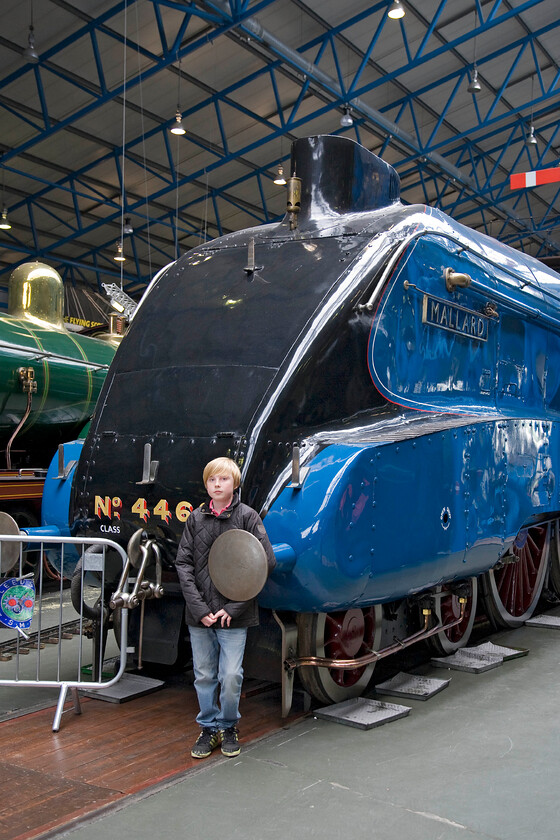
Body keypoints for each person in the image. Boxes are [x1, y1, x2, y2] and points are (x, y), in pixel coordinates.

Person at [175, 456, 276, 759]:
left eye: (223, 480)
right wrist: (199, 608)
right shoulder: (195, 519)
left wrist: (232, 608)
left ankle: (228, 724)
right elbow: (184, 563)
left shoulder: (247, 517)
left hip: (234, 616)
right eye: (212, 480)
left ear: (235, 483)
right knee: (204, 674)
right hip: (200, 615)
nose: (217, 485)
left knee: (230, 676)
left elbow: (264, 562)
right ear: (206, 484)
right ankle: (208, 728)